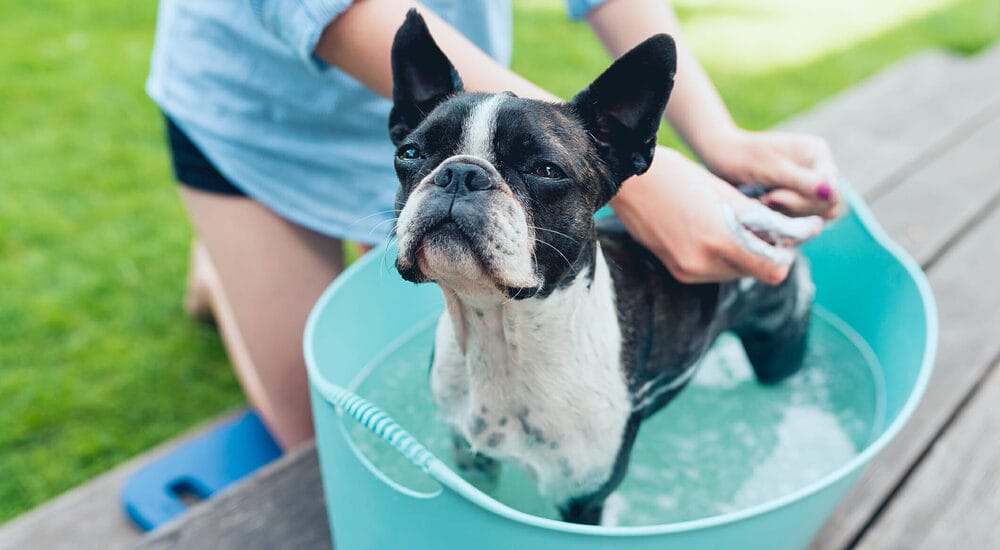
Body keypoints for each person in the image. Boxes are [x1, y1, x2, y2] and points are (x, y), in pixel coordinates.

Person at [146, 0, 842, 450]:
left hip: (442, 114)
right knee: (321, 446)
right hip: (259, 111)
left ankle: (234, 269)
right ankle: (228, 261)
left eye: (540, 170)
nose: (465, 182)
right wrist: (641, 185)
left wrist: (716, 135)